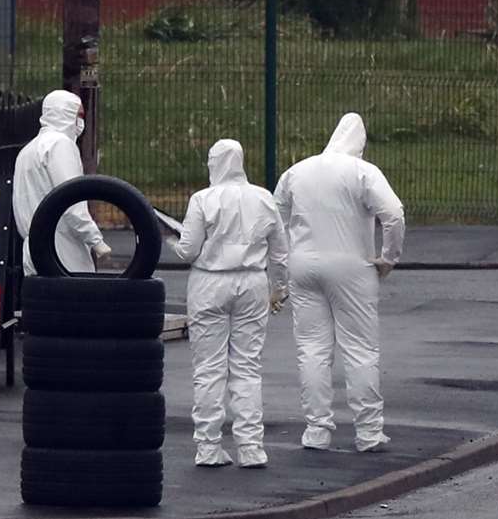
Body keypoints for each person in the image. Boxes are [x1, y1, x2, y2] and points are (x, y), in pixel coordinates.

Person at [274, 113, 405, 453]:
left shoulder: (297, 171)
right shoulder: (363, 172)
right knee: (360, 349)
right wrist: (389, 257)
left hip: (303, 266)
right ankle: (368, 432)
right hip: (352, 266)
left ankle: (316, 430)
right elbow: (394, 214)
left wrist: (286, 258)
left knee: (312, 350)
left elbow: (276, 217)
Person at [171, 139, 289, 468]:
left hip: (209, 283)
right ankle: (251, 447)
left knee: (209, 368)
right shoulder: (263, 198)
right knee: (247, 366)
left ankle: (208, 447)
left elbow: (188, 250)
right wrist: (279, 288)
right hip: (253, 281)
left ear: (215, 164)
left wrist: (172, 239)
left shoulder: (203, 200)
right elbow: (280, 250)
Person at [12, 89, 110, 275]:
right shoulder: (61, 145)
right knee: (73, 301)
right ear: (66, 113)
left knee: (41, 302)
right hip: (63, 247)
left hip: (32, 247)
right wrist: (96, 240)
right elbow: (71, 199)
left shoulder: (28, 150)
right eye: (78, 115)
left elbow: (20, 203)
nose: (81, 122)